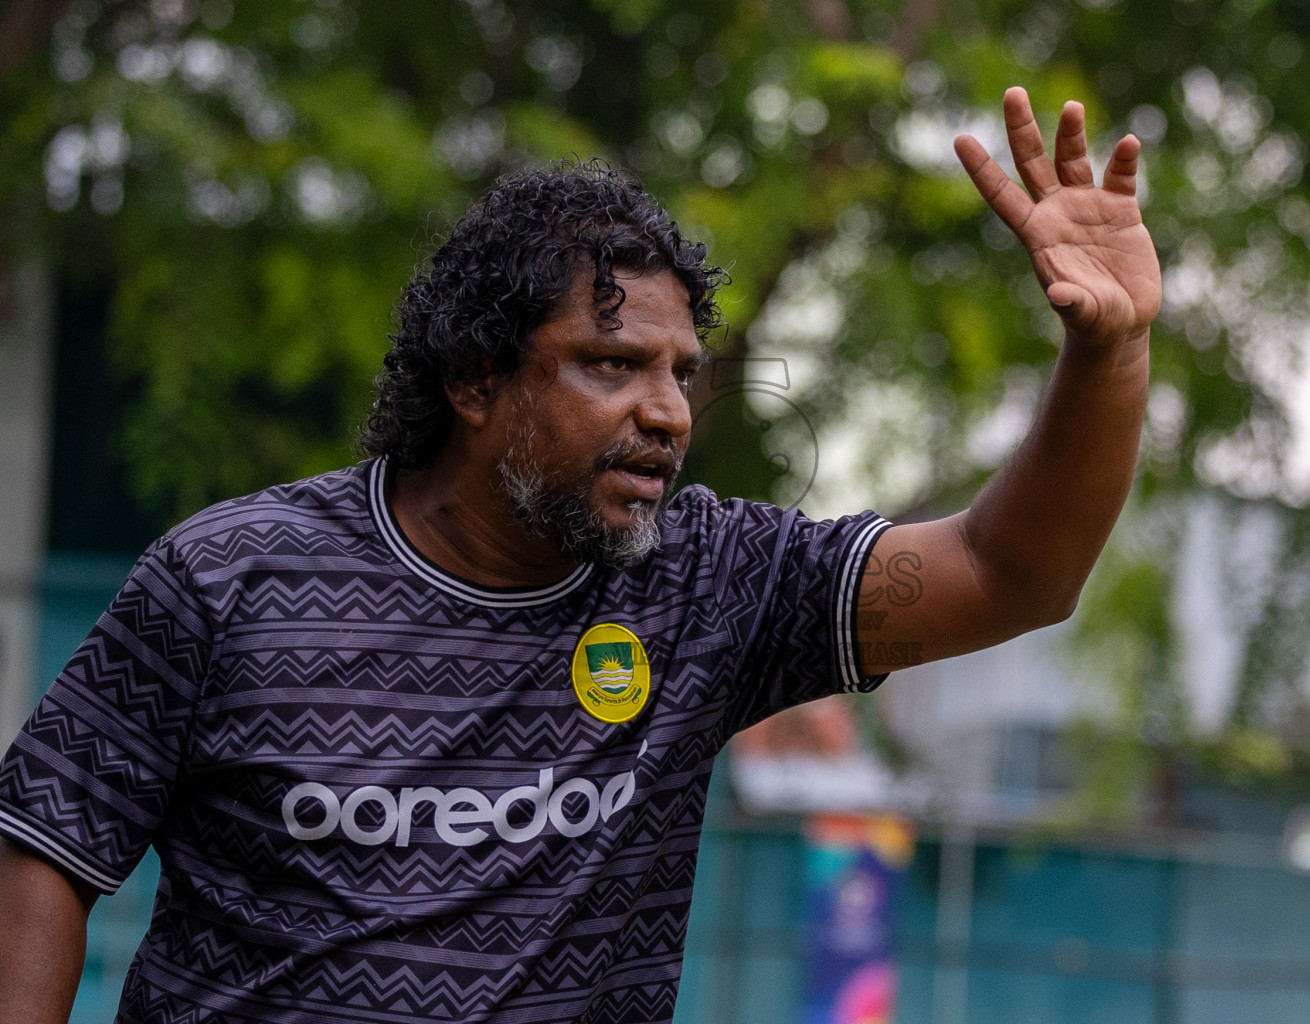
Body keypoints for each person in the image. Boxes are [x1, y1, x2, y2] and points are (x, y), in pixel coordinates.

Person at [0, 87, 1159, 1024]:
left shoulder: (709, 587)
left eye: (682, 373)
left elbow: (1015, 575)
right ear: (473, 380)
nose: (667, 412)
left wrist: (1108, 356)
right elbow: (47, 843)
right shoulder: (228, 578)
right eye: (611, 363)